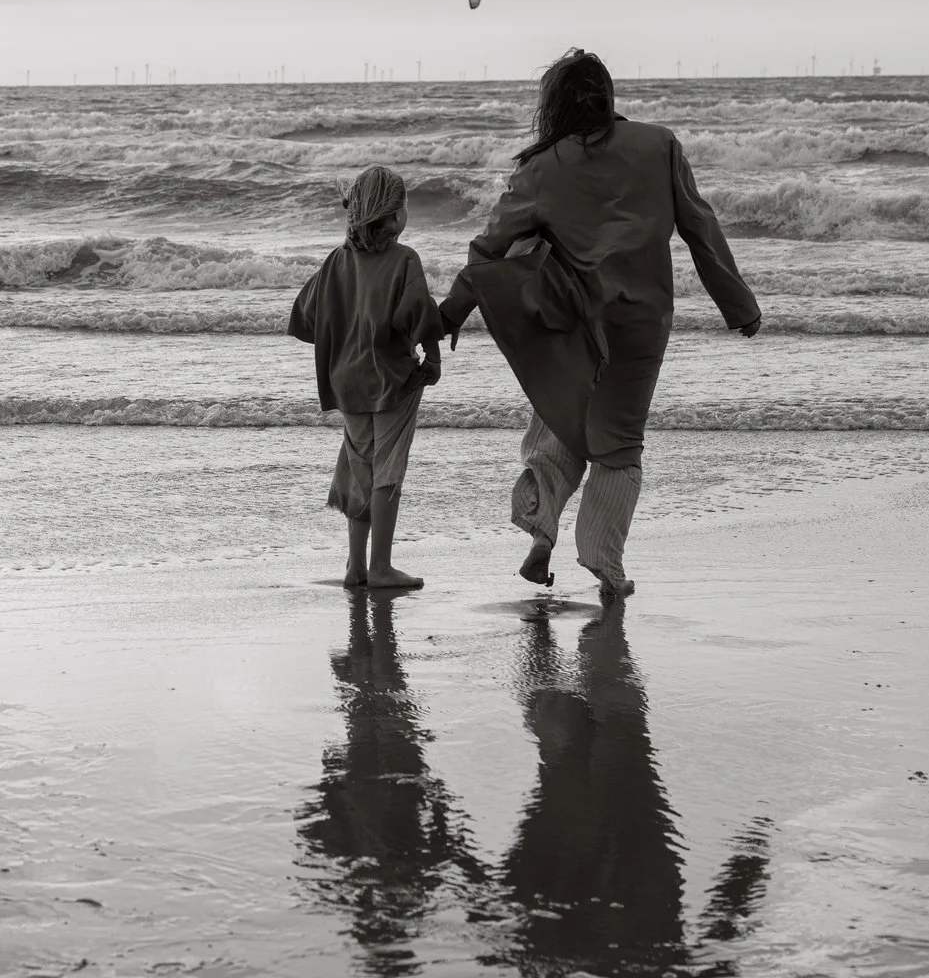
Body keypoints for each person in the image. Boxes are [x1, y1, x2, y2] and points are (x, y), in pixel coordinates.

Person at [451, 48, 758, 599]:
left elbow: (487, 250)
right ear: (609, 96)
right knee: (617, 446)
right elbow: (700, 228)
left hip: (569, 319)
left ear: (555, 106)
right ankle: (602, 561)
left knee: (562, 420)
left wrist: (448, 314)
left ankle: (542, 528)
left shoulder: (543, 168)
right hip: (639, 324)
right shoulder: (660, 145)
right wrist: (738, 305)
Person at [289, 165, 443, 590]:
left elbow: (306, 315)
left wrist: (342, 346)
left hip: (347, 382)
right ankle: (381, 567)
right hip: (392, 380)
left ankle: (355, 568)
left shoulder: (337, 261)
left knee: (361, 470)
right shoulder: (403, 259)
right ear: (393, 216)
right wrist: (433, 359)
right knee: (387, 471)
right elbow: (420, 316)